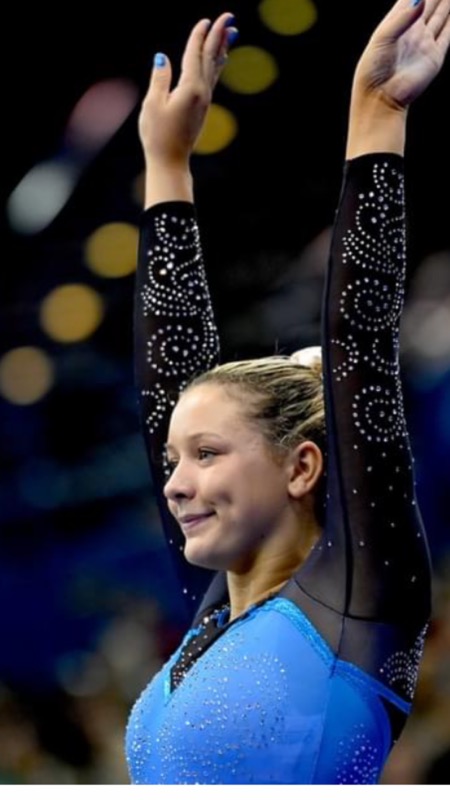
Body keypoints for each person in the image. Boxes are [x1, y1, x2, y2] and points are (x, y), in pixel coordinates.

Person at [125, 0, 450, 785]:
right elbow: (172, 380)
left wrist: (376, 113)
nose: (174, 482)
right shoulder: (212, 620)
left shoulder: (355, 605)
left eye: (205, 454)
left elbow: (359, 346)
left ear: (303, 467)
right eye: (173, 457)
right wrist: (167, 168)